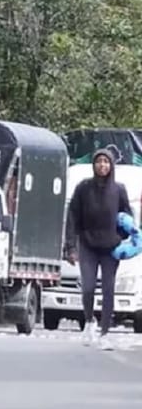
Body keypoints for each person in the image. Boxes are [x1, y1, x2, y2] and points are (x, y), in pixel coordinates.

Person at [66, 148, 133, 349]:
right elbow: (72, 217)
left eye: (106, 162)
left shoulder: (119, 189)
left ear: (111, 166)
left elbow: (127, 218)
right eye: (99, 161)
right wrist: (70, 246)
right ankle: (89, 323)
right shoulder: (83, 188)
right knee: (87, 288)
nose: (102, 165)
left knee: (108, 289)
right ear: (94, 165)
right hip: (87, 244)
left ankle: (104, 332)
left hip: (110, 248)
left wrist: (121, 238)